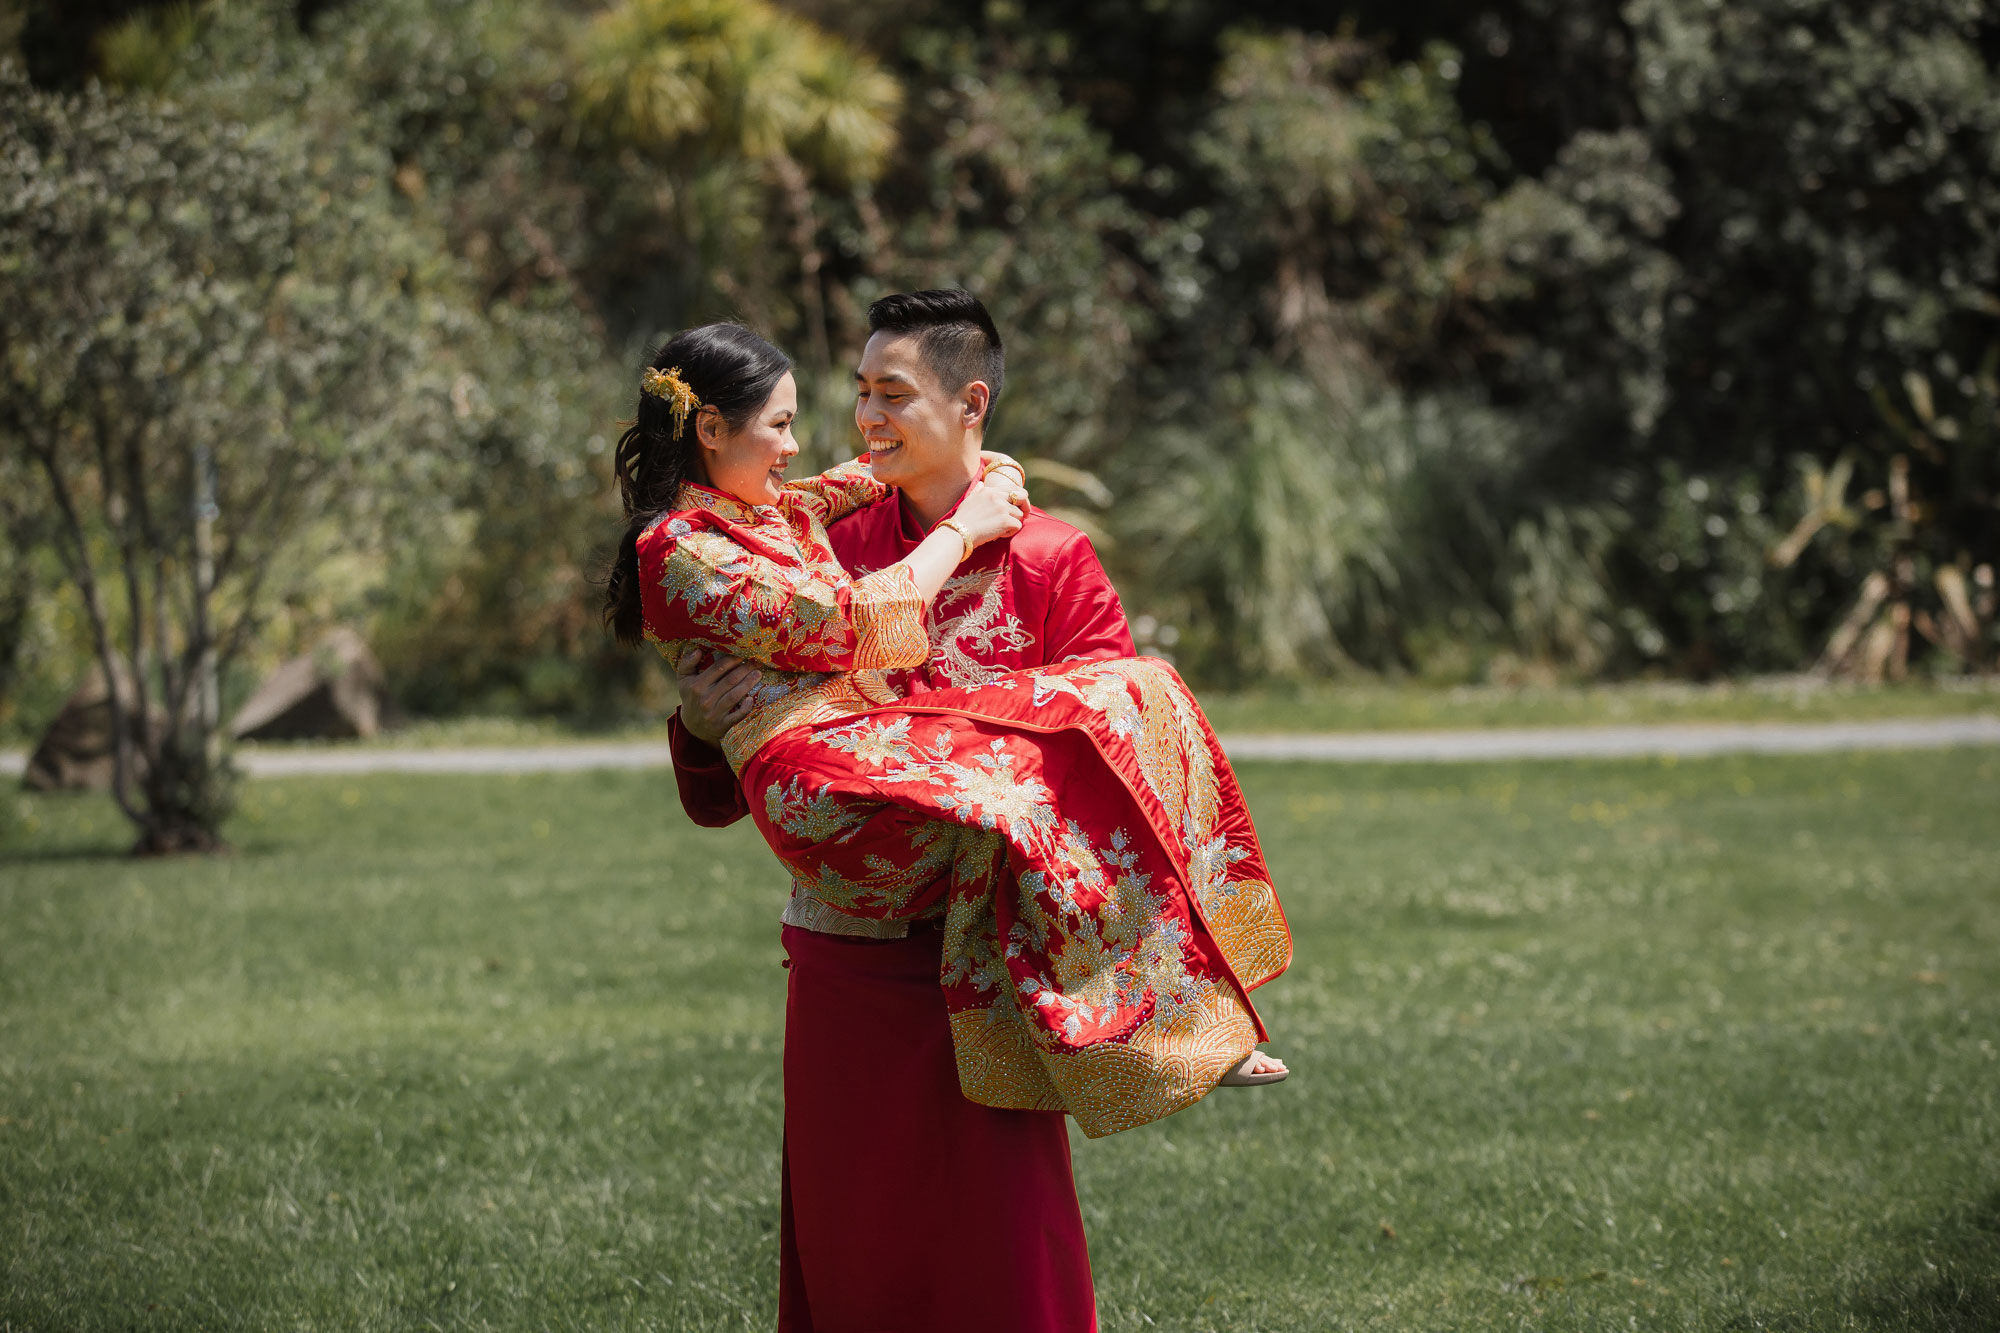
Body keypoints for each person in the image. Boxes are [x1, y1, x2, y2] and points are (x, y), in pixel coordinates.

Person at [604, 313, 1290, 1333]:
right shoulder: (814, 535)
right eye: (857, 393)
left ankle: (1180, 1015)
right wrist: (701, 729)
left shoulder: (1052, 557)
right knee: (858, 1250)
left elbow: (1111, 768)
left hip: (992, 959)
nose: (859, 421)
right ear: (716, 428)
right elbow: (717, 793)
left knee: (1001, 1264)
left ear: (969, 404)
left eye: (891, 394)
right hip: (850, 954)